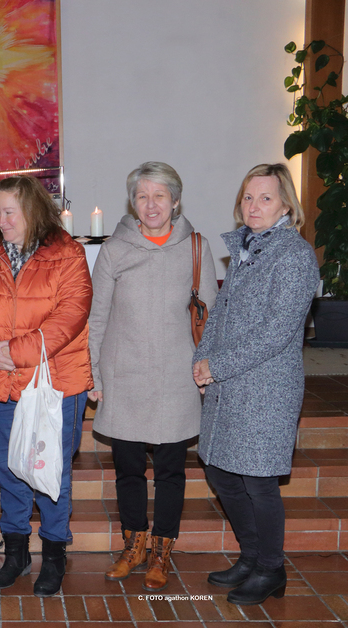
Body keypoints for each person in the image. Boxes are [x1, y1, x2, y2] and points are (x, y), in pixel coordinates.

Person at [88, 162, 218, 592]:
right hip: (124, 375)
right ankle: (133, 546)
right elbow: (97, 317)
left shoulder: (195, 247)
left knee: (170, 472)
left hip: (176, 378)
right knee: (128, 470)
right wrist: (94, 373)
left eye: (159, 195)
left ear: (175, 201)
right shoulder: (115, 249)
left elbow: (211, 317)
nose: (151, 204)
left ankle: (161, 551)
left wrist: (208, 367)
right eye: (142, 196)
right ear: (133, 203)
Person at [193, 163, 319, 605]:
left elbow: (276, 333)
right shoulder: (249, 248)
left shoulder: (295, 256)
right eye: (248, 197)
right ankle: (250, 556)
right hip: (229, 382)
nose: (254, 206)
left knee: (258, 482)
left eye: (265, 198)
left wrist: (217, 367)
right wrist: (201, 361)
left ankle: (271, 569)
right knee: (220, 471)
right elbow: (219, 313)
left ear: (286, 205)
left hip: (267, 388)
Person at [0, 176, 93, 597]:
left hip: (54, 382)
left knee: (50, 469)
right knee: (7, 469)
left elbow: (71, 315)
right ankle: (16, 553)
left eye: (9, 212)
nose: (0, 220)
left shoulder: (68, 253)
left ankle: (54, 554)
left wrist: (13, 352)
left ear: (33, 211)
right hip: (2, 380)